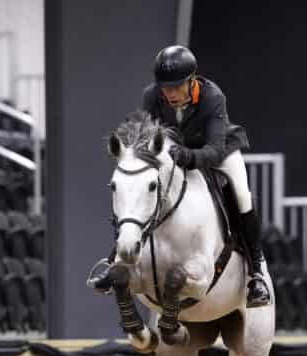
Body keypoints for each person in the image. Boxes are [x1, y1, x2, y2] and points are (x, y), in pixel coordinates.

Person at [87, 45, 271, 308]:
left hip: (217, 149)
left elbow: (215, 149)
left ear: (192, 80)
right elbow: (144, 137)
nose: (170, 94)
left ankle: (256, 273)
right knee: (139, 187)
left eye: (176, 87)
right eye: (165, 88)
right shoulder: (152, 95)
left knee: (242, 195)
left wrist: (188, 156)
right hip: (174, 152)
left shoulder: (212, 96)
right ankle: (115, 258)